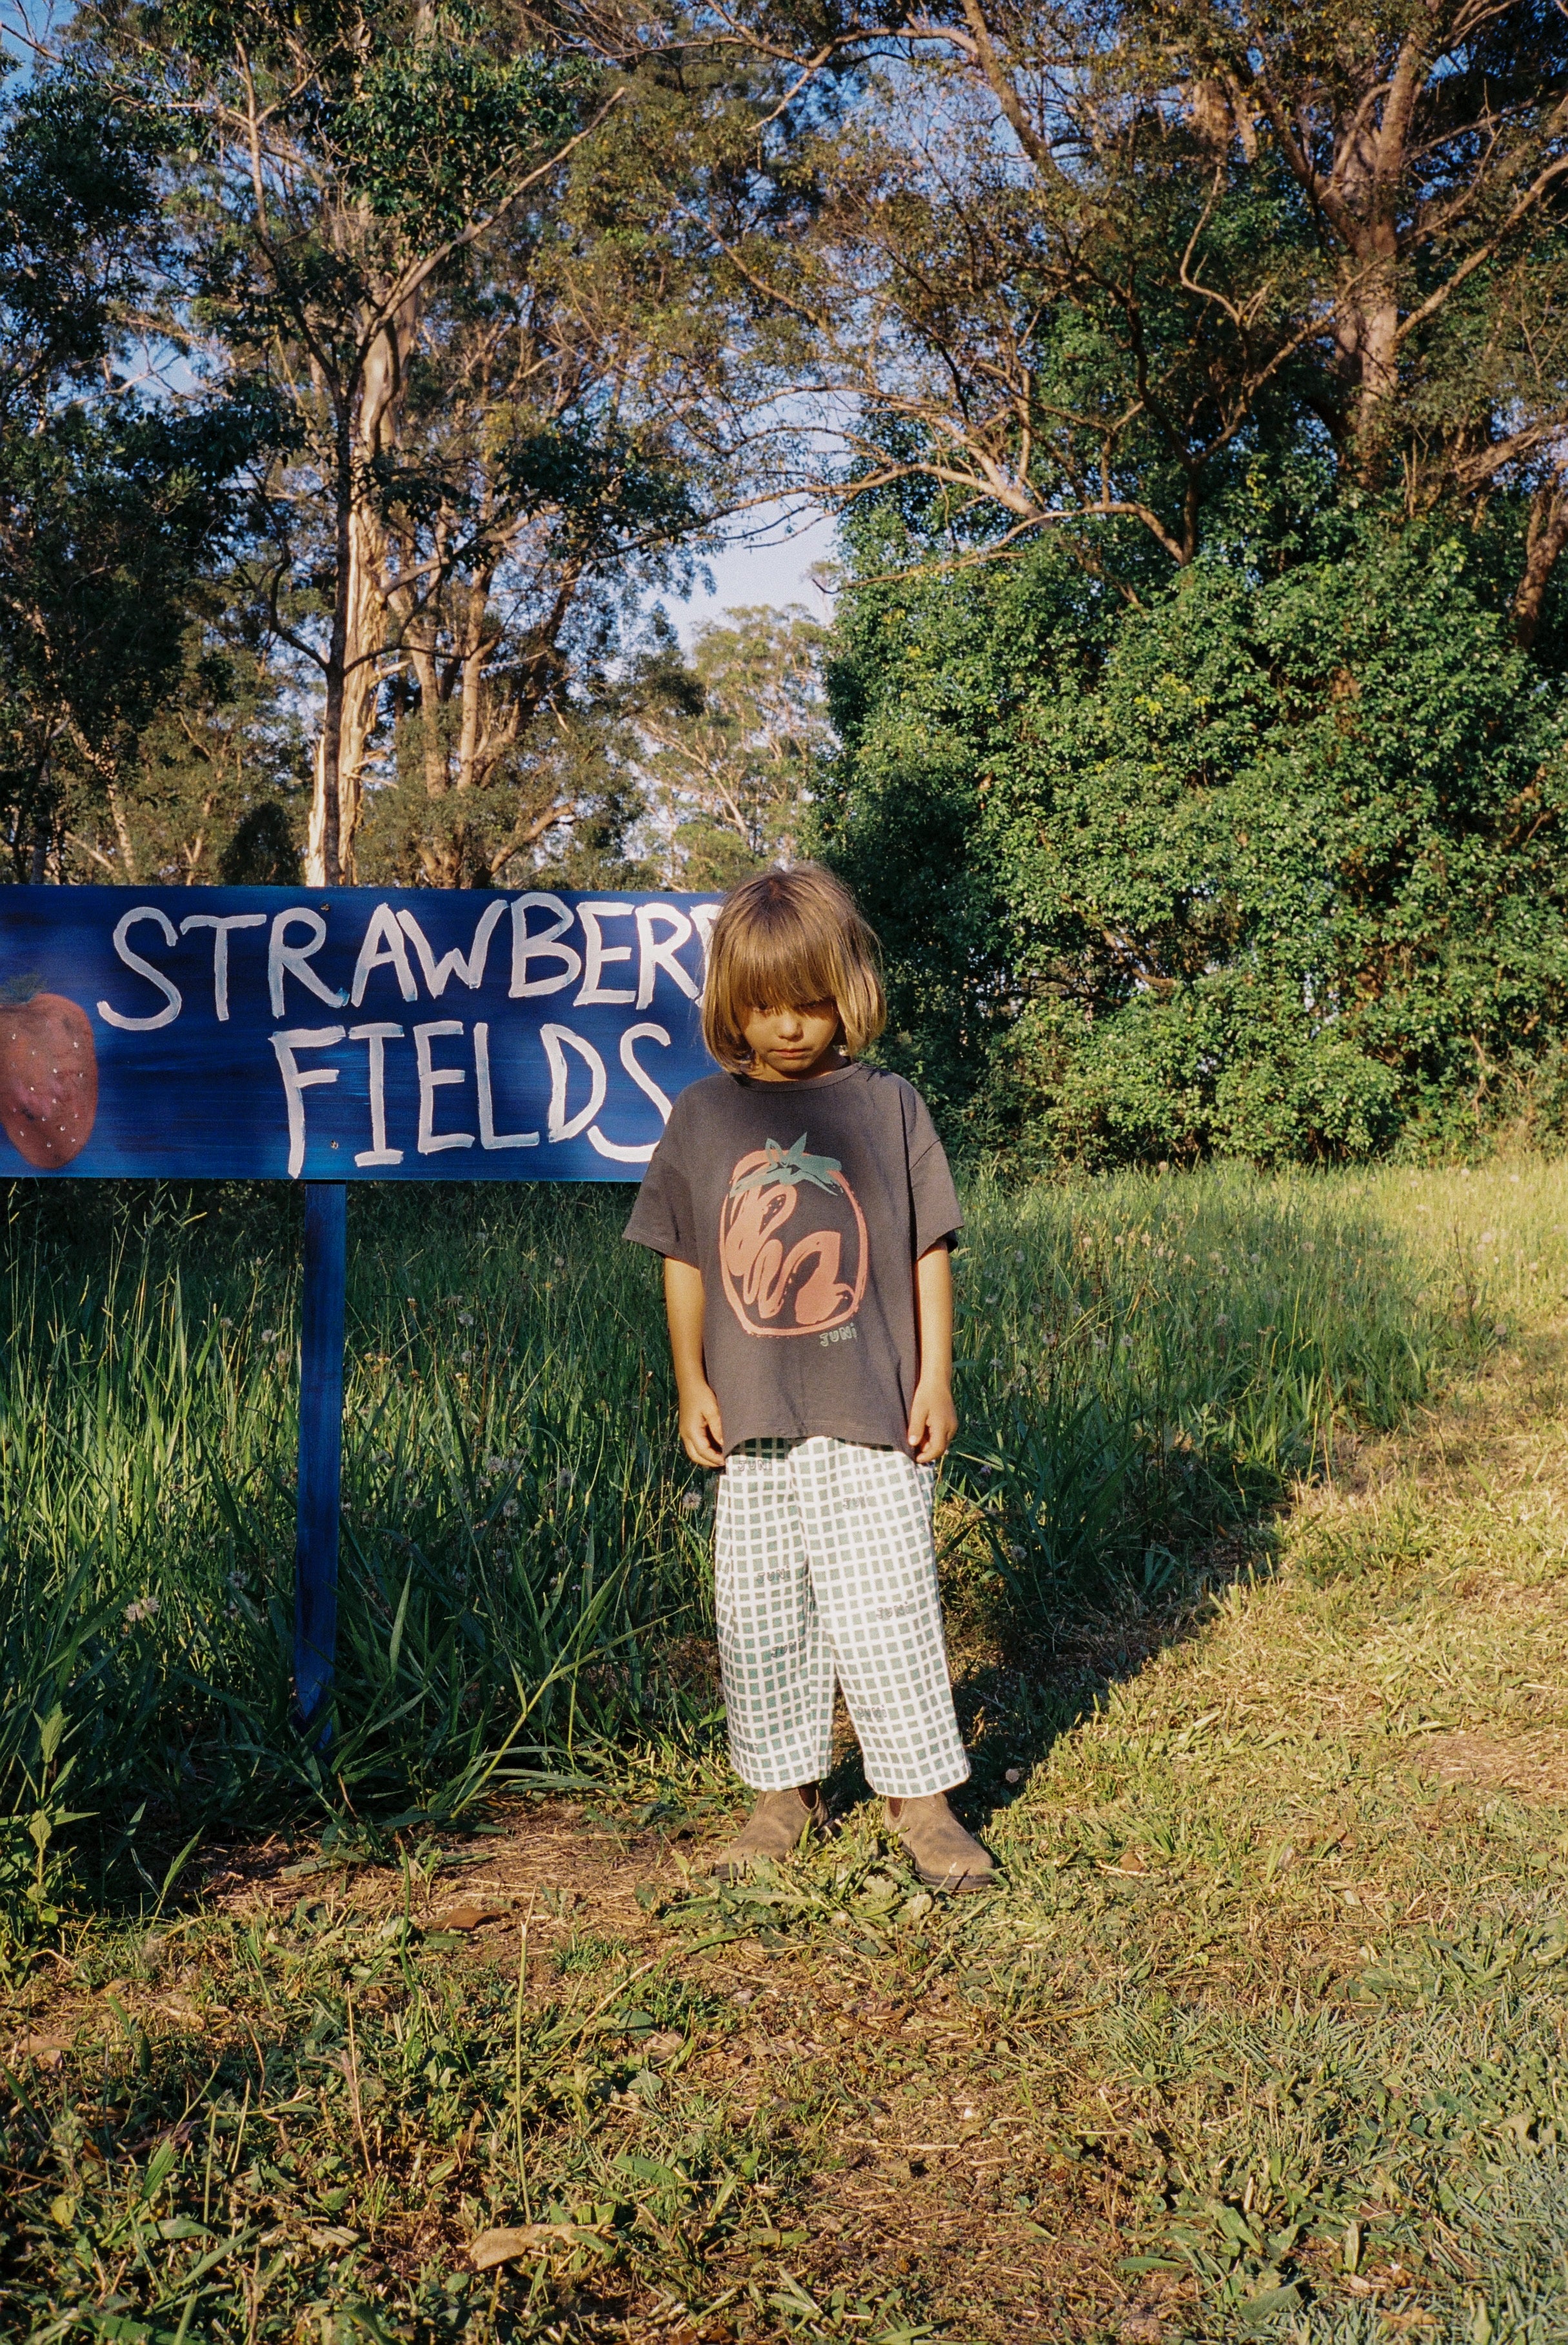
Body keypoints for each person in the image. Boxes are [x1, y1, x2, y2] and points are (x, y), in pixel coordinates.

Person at [623, 864, 993, 1893]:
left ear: (850, 995)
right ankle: (782, 1792)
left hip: (875, 1410)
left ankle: (922, 1802)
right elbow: (684, 1255)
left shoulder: (891, 1106)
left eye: (813, 1003)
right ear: (731, 1006)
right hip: (753, 1421)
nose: (790, 1027)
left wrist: (937, 1378)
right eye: (765, 1006)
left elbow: (930, 1249)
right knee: (760, 1608)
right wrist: (690, 1380)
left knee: (888, 1606)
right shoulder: (703, 1116)